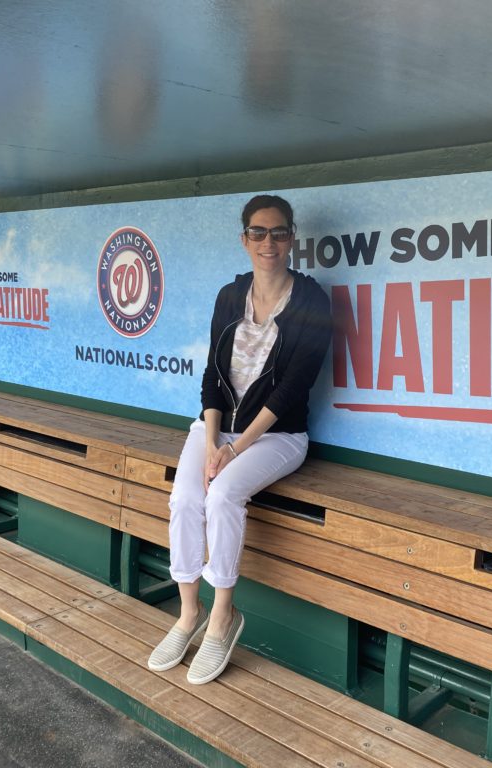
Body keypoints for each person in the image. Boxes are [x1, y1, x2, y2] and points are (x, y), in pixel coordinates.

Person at [147, 194, 331, 685]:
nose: (268, 242)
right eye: (258, 233)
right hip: (215, 428)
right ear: (244, 239)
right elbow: (212, 373)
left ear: (292, 238)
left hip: (277, 436)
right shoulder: (230, 296)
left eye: (278, 232)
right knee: (186, 498)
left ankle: (223, 616)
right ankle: (188, 614)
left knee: (224, 493)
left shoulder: (312, 300)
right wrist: (211, 441)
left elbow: (294, 386)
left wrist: (234, 448)